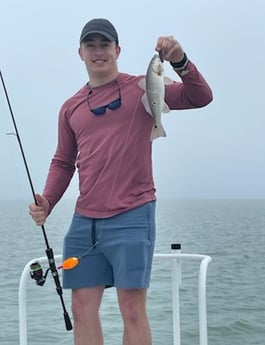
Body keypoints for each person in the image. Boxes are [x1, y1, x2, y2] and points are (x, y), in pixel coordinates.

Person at [29, 18, 212, 345]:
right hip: (85, 221)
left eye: (105, 45)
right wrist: (48, 200)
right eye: (91, 45)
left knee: (132, 310)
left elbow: (200, 97)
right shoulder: (70, 108)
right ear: (80, 53)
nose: (98, 51)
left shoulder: (143, 86)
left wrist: (181, 60)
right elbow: (62, 161)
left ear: (118, 50)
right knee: (82, 307)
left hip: (133, 215)